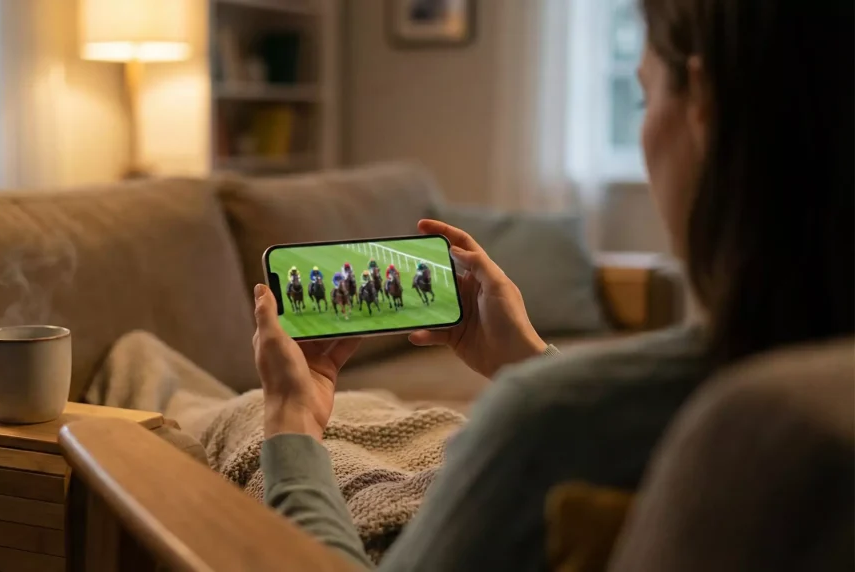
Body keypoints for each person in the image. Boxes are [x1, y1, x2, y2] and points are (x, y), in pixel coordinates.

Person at [250, 0, 853, 568]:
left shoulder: (549, 427)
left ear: (702, 107)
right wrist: (528, 360)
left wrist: (290, 420)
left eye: (643, 98)